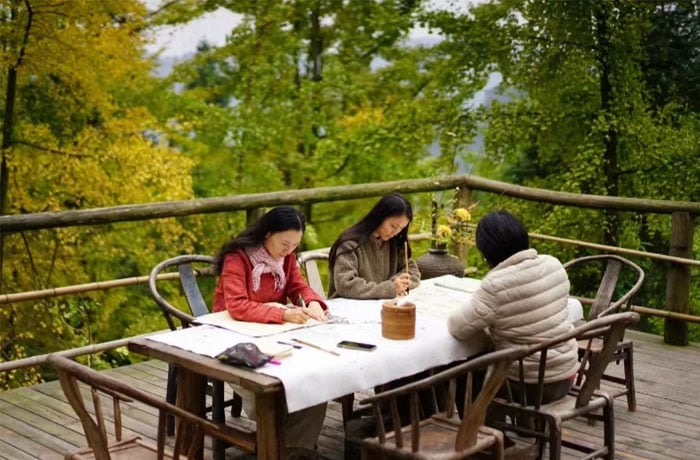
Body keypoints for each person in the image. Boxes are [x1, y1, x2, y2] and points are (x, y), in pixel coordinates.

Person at [212, 206, 328, 458]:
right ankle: (284, 447)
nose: (289, 251)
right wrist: (282, 314)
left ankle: (288, 449)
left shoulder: (285, 258)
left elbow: (297, 285)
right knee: (274, 389)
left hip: (273, 335)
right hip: (233, 338)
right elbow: (237, 306)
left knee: (317, 381)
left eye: (295, 245)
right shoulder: (238, 257)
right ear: (267, 233)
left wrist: (312, 301)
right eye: (285, 244)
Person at [447, 210, 579, 409]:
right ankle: (513, 429)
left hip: (530, 386)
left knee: (466, 373)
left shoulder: (495, 285)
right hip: (567, 373)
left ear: (487, 251)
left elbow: (457, 327)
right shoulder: (553, 264)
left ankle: (486, 432)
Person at [328, 193, 420, 299]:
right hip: (348, 308)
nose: (396, 232)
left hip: (381, 305)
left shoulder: (395, 242)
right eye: (393, 226)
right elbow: (345, 284)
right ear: (380, 217)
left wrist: (396, 284)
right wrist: (389, 288)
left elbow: (412, 271)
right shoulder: (350, 245)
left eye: (401, 228)